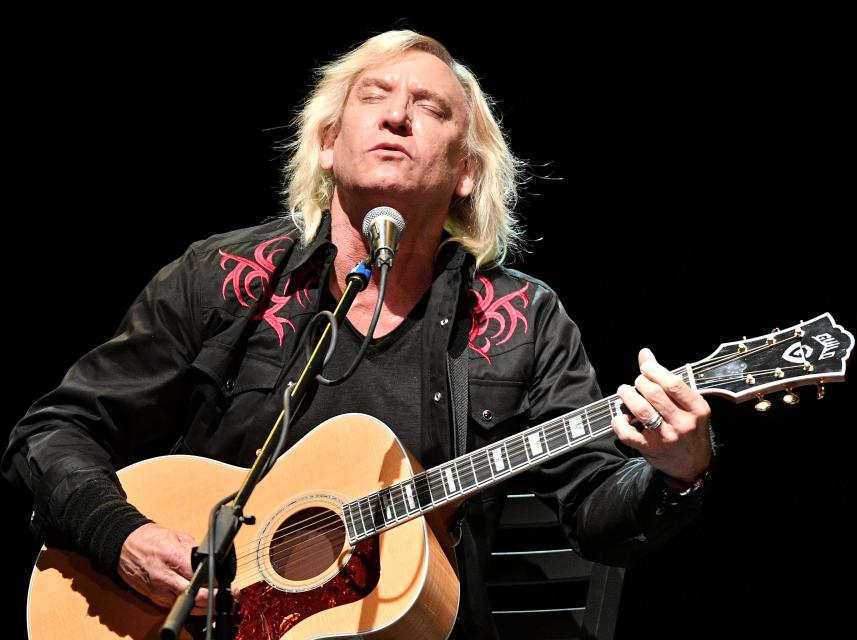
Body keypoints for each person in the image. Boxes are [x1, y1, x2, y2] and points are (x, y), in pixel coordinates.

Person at [3, 30, 713, 639]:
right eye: (374, 97)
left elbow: (598, 515)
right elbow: (53, 432)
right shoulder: (226, 276)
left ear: (466, 173)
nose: (398, 117)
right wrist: (121, 535)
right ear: (326, 142)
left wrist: (675, 472)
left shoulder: (521, 320)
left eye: (431, 108)